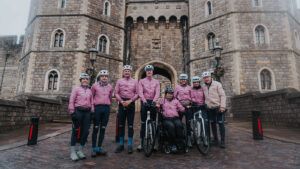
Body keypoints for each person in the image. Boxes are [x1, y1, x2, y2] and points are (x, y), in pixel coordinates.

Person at [68, 73, 94, 161]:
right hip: (78, 111)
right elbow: (71, 100)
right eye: (83, 79)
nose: (85, 80)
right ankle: (72, 152)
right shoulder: (76, 89)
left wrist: (92, 112)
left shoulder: (90, 90)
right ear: (80, 80)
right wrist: (72, 113)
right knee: (75, 131)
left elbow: (92, 102)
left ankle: (80, 150)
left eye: (87, 79)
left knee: (85, 132)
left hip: (87, 112)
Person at [114, 65, 139, 154]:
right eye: (125, 71)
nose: (127, 72)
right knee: (121, 124)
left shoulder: (135, 82)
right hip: (121, 103)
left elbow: (137, 93)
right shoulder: (119, 81)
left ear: (131, 72)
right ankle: (121, 144)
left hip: (130, 103)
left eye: (128, 71)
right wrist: (121, 101)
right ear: (123, 72)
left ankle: (129, 144)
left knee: (130, 125)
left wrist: (130, 101)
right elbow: (116, 92)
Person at [137, 64, 160, 151]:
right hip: (145, 101)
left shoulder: (156, 82)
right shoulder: (141, 81)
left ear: (152, 72)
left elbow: (157, 92)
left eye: (150, 70)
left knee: (153, 122)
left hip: (153, 101)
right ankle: (141, 142)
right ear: (146, 72)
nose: (149, 72)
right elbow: (140, 92)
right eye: (147, 70)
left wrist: (154, 101)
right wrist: (144, 101)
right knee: (143, 122)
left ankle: (154, 143)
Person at [90, 70, 113, 157]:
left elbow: (110, 97)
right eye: (103, 76)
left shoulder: (110, 87)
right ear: (99, 77)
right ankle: (93, 148)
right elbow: (91, 97)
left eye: (106, 76)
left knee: (103, 129)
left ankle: (99, 147)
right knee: (96, 128)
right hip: (97, 108)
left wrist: (107, 104)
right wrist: (92, 108)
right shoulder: (94, 86)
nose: (104, 77)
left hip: (106, 108)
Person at [202, 71, 226, 148]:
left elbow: (222, 95)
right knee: (212, 124)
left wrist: (222, 106)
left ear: (210, 77)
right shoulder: (203, 87)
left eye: (207, 77)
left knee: (221, 124)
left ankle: (222, 141)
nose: (206, 79)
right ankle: (215, 140)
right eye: (205, 78)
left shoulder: (217, 84)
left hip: (218, 107)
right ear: (203, 79)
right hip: (209, 108)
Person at [157, 86, 185, 153]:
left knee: (179, 125)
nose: (170, 95)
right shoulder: (162, 100)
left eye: (171, 93)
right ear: (166, 94)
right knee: (171, 126)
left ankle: (179, 143)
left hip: (175, 118)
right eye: (168, 93)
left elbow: (181, 108)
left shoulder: (176, 101)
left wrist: (183, 109)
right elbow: (157, 105)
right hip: (166, 119)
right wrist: (157, 105)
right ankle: (172, 144)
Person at [174, 73, 192, 146]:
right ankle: (180, 137)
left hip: (188, 106)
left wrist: (190, 104)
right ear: (180, 80)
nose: (183, 81)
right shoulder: (177, 87)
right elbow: (174, 97)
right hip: (180, 107)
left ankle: (189, 139)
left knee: (188, 123)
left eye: (184, 79)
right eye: (182, 79)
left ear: (186, 80)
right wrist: (178, 105)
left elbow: (192, 96)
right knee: (179, 123)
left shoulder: (190, 87)